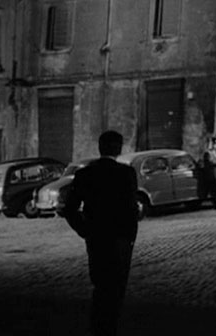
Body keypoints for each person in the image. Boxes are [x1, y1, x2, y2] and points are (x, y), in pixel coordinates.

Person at [58, 130, 138, 336]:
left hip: (96, 237)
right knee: (117, 288)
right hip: (120, 237)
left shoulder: (85, 174)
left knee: (101, 285)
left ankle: (98, 328)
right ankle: (109, 328)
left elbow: (69, 209)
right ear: (119, 149)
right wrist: (130, 238)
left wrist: (84, 231)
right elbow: (131, 209)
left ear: (100, 148)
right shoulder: (126, 173)